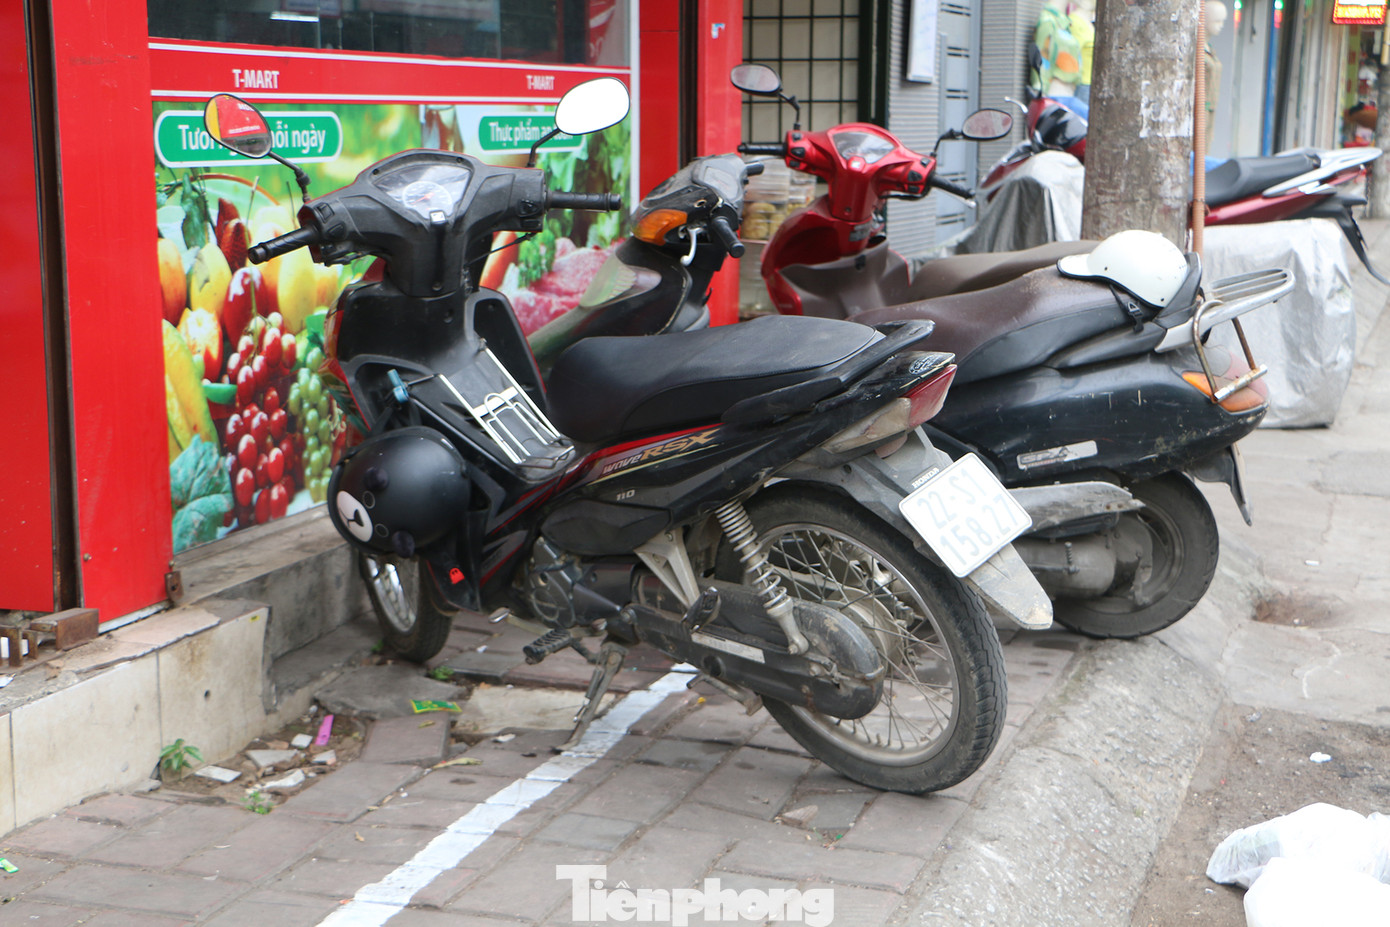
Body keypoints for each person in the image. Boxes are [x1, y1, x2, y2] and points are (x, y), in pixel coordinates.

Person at [1204, 1, 1228, 142]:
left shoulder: (1209, 49)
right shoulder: (1198, 49)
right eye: (1217, 21)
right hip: (1200, 108)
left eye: (1222, 21)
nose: (1221, 26)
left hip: (1210, 107)